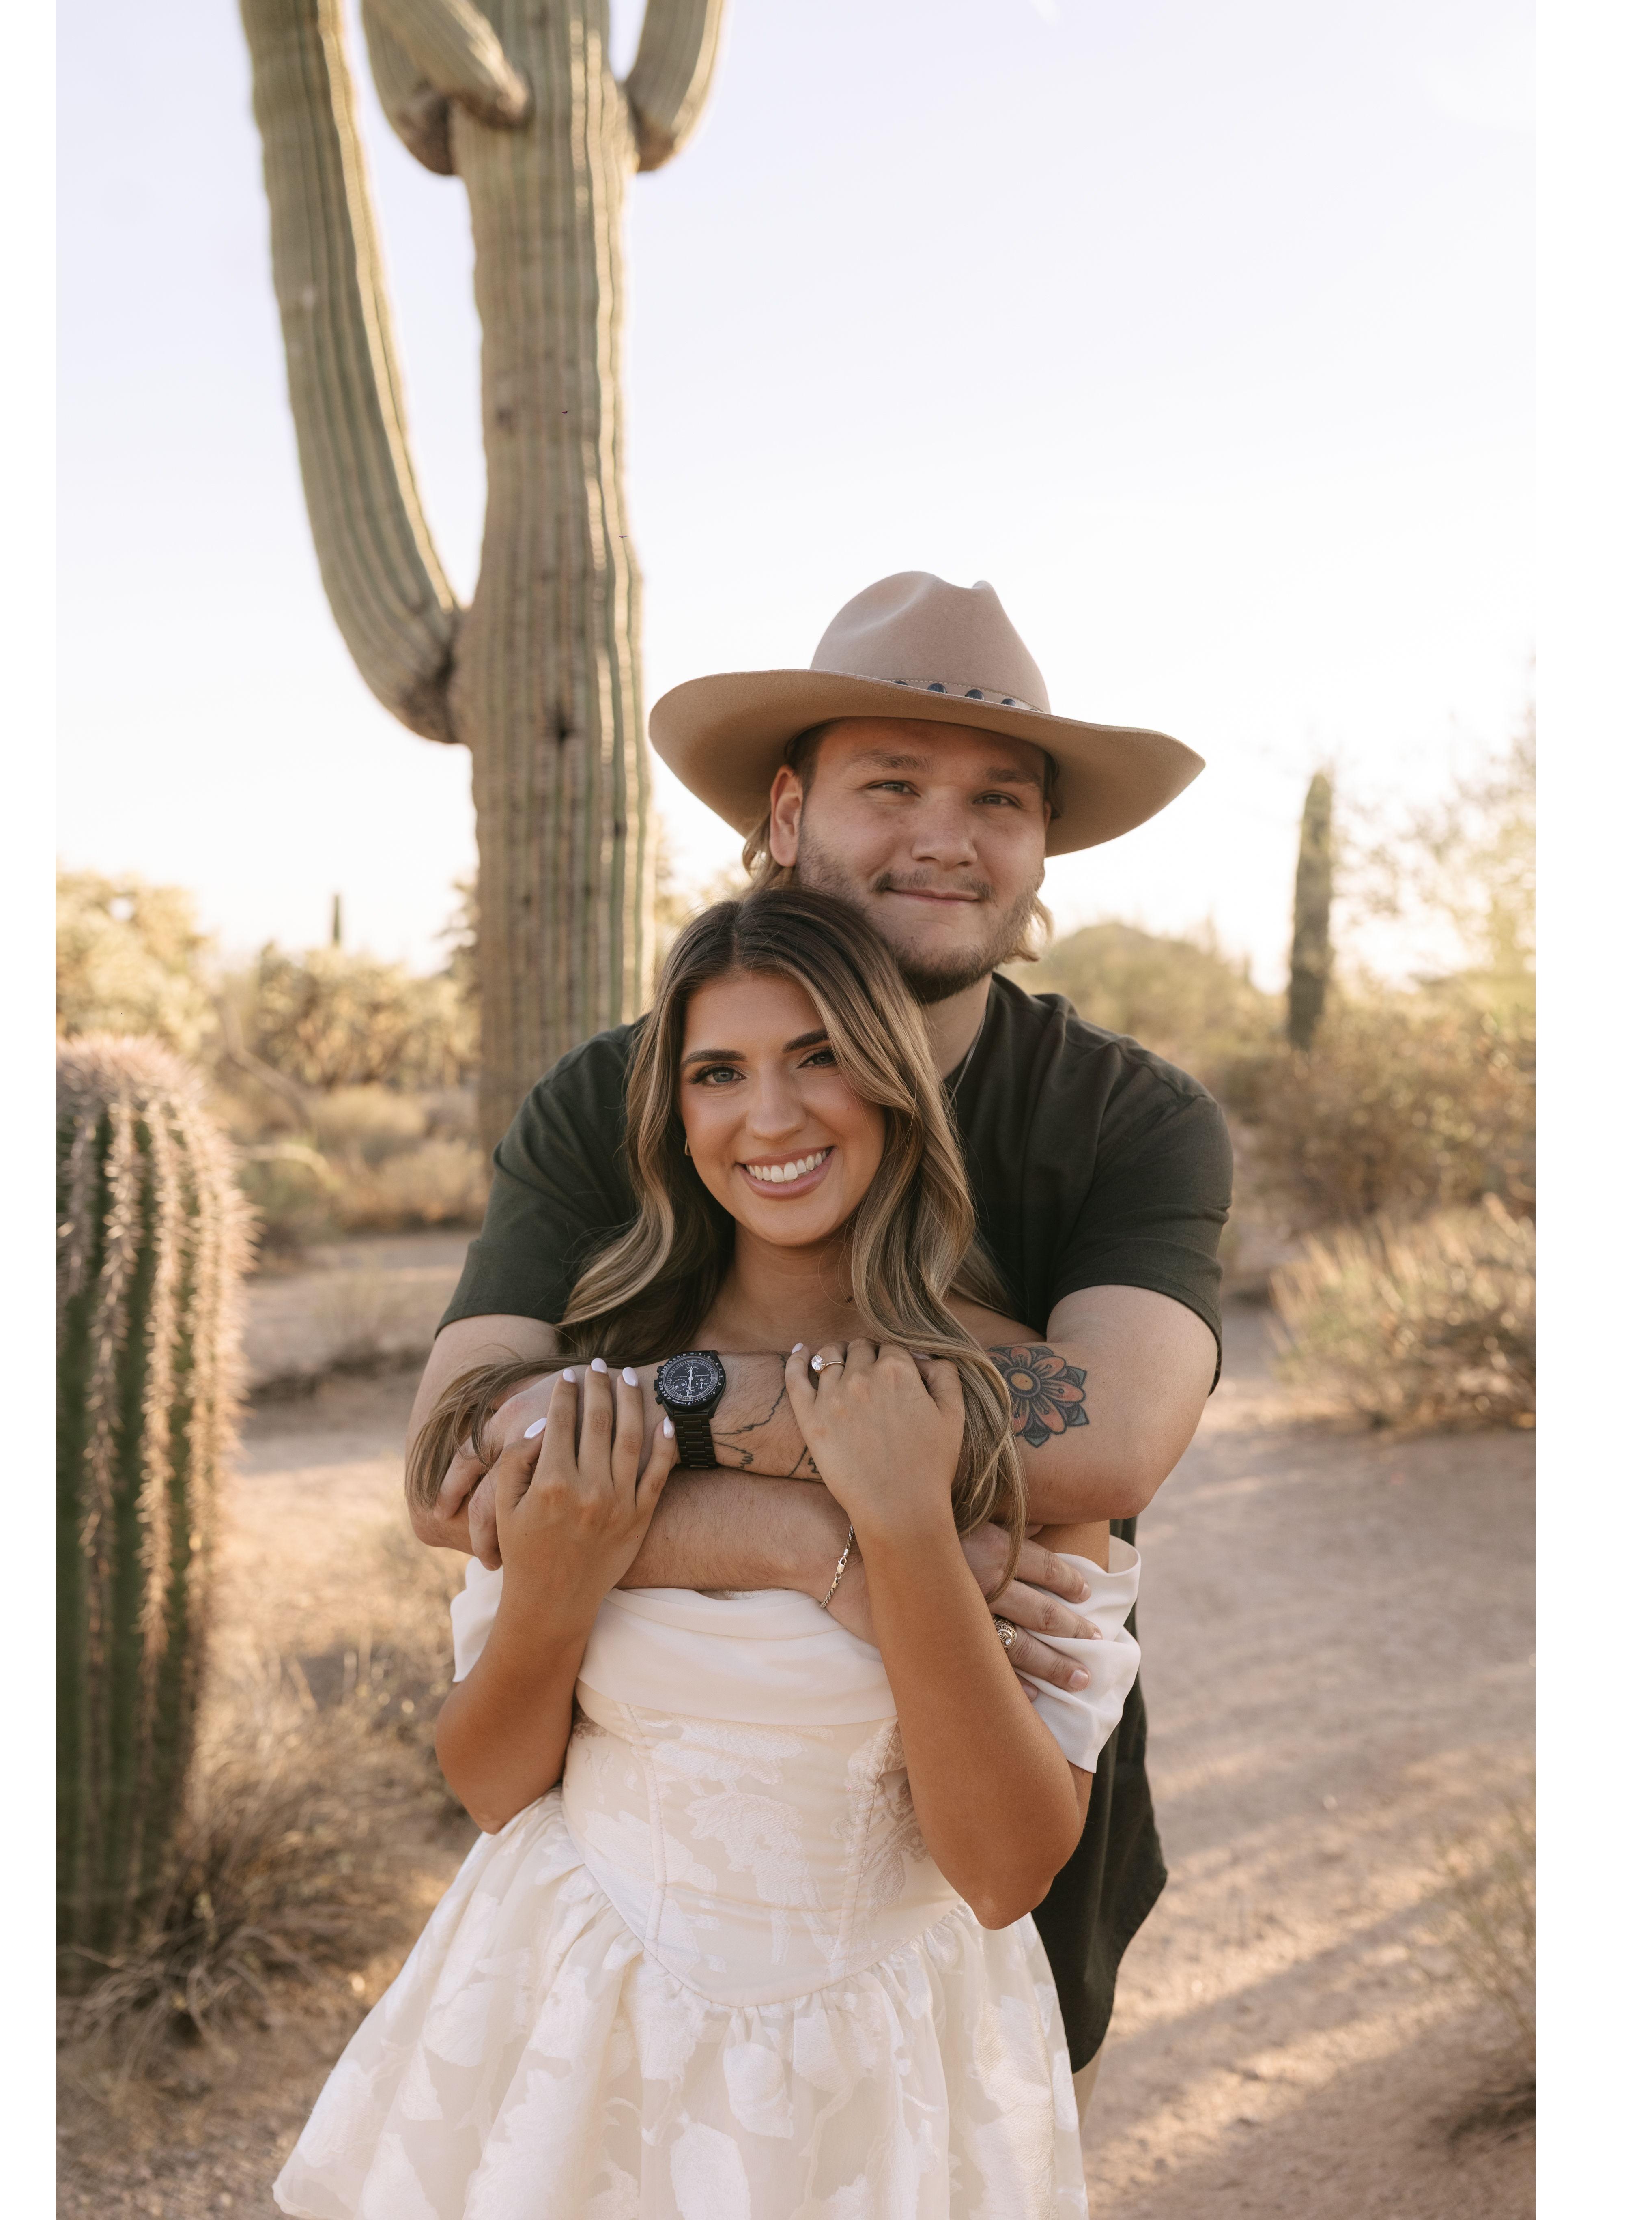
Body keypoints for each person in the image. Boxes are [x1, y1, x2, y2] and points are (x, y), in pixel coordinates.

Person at [412, 570, 1233, 2109]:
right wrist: (828, 1537)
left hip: (999, 1749)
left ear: (1042, 844)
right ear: (786, 816)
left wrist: (633, 1426)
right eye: (893, 786)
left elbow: (1113, 1437)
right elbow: (461, 1462)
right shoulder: (617, 1096)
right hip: (635, 1896)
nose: (948, 836)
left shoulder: (1130, 1119)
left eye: (1000, 798)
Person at [275, 888, 1147, 2217]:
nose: (771, 1117)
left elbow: (1003, 1872)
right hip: (573, 2029)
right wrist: (578, 1580)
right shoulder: (593, 1391)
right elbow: (491, 1784)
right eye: (719, 1073)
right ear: (676, 1119)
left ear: (897, 1082)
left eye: (820, 1057)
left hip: (875, 2080)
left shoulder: (1019, 1422)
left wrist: (906, 1533)